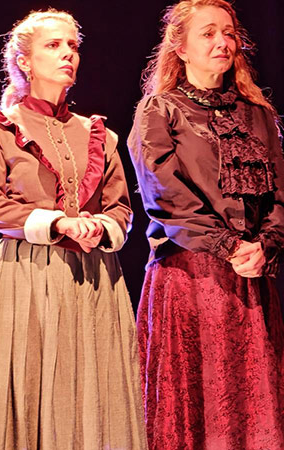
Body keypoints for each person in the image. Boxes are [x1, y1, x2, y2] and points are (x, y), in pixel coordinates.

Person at [0, 9, 145, 449]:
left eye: (73, 46)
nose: (68, 53)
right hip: (28, 273)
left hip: (94, 275)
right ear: (24, 61)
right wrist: (56, 222)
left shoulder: (99, 135)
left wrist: (100, 227)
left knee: (98, 390)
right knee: (33, 386)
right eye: (54, 45)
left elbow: (120, 207)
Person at [128, 0, 284, 447]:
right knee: (195, 410)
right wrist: (227, 246)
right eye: (208, 33)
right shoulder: (159, 110)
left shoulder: (258, 114)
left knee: (253, 409)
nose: (222, 42)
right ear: (180, 48)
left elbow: (278, 196)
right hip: (190, 276)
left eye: (229, 33)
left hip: (251, 278)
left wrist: (265, 245)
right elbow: (164, 196)